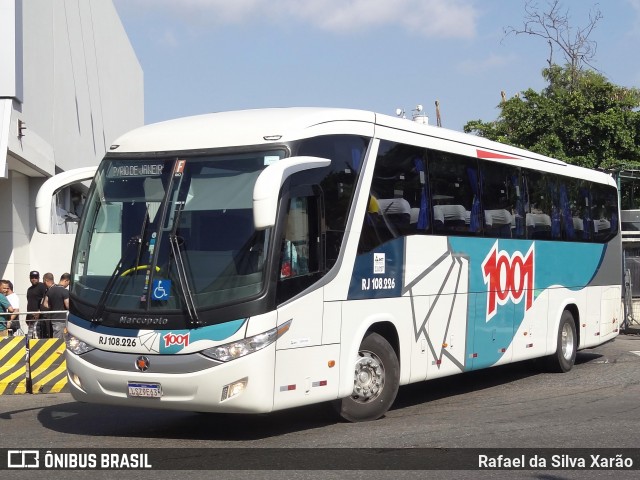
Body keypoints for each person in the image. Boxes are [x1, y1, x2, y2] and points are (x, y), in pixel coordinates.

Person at [42, 273, 70, 339]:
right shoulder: (65, 291)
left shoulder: (50, 290)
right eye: (68, 283)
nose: (68, 285)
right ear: (66, 280)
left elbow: (45, 304)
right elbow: (68, 305)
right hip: (62, 319)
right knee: (60, 341)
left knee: (55, 339)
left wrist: (52, 307)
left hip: (53, 319)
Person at [26, 271, 47, 338]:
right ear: (30, 278)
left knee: (37, 336)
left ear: (39, 278)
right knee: (30, 336)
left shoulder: (42, 286)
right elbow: (29, 302)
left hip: (39, 317)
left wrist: (39, 311)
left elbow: (45, 299)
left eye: (36, 277)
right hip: (30, 317)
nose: (34, 279)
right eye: (32, 277)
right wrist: (27, 315)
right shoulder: (29, 289)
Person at [39, 272, 56, 338]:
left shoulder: (54, 290)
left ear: (46, 281)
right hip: (45, 316)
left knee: (50, 334)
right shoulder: (47, 290)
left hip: (50, 316)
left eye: (44, 282)